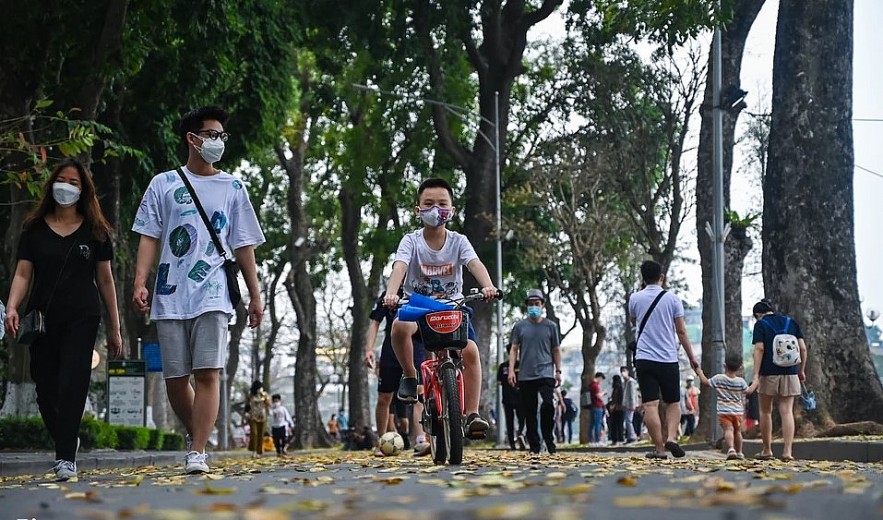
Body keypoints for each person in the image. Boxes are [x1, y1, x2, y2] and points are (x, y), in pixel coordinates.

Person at [132, 106, 265, 474]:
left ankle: (198, 451)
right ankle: (198, 436)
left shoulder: (233, 187)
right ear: (192, 139)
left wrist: (255, 295)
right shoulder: (163, 184)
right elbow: (148, 236)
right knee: (176, 379)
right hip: (171, 293)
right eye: (212, 135)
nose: (218, 142)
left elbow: (243, 245)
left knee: (208, 373)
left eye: (222, 136)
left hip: (213, 292)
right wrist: (141, 280)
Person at [4, 158, 122, 481]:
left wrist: (115, 326)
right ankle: (67, 438)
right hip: (42, 320)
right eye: (62, 180)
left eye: (74, 182)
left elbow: (106, 280)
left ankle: (65, 457)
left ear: (83, 190)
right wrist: (12, 306)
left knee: (73, 383)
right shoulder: (34, 229)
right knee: (45, 389)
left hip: (82, 319)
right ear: (51, 184)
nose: (66, 187)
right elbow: (23, 274)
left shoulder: (96, 231)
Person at [382, 178, 498, 437]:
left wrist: (488, 286)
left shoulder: (459, 241)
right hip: (418, 306)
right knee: (399, 328)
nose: (436, 209)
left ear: (452, 210)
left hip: (452, 306)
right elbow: (399, 266)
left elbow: (475, 264)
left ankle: (472, 414)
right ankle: (411, 377)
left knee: (470, 352)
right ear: (418, 210)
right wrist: (392, 293)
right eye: (429, 204)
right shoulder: (411, 241)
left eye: (442, 204)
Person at [628, 260, 700, 459]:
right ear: (662, 277)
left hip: (644, 358)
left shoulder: (635, 298)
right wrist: (692, 358)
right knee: (673, 402)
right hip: (668, 359)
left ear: (643, 278)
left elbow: (634, 321)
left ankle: (659, 449)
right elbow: (681, 330)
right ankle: (672, 438)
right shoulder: (673, 299)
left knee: (650, 405)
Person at [364, 291, 431, 456]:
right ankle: (381, 441)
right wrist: (369, 349)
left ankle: (421, 439)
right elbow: (375, 322)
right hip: (391, 350)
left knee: (419, 395)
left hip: (417, 348)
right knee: (384, 397)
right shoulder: (389, 294)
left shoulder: (423, 290)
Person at [746, 300, 808, 462]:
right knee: (787, 411)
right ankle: (787, 451)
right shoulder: (791, 322)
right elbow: (802, 348)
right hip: (790, 372)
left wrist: (756, 375)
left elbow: (759, 349)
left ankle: (767, 450)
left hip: (768, 373)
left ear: (757, 315)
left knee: (765, 411)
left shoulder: (761, 324)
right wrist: (801, 371)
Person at [508, 289, 562, 455]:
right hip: (526, 374)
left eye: (537, 304)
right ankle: (534, 445)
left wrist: (558, 371)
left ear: (542, 305)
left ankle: (548, 438)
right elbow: (514, 348)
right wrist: (511, 370)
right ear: (527, 306)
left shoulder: (551, 326)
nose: (534, 307)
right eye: (531, 304)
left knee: (548, 405)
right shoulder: (519, 327)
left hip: (546, 372)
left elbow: (556, 349)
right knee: (529, 411)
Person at [695, 352, 749, 460]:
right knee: (738, 431)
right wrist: (756, 381)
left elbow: (706, 382)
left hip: (724, 412)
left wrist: (699, 372)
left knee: (728, 430)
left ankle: (731, 449)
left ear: (725, 365)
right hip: (737, 412)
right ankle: (740, 452)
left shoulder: (719, 378)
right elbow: (749, 391)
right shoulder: (741, 382)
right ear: (740, 368)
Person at [497, 353, 526, 450]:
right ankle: (520, 434)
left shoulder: (503, 366)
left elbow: (499, 382)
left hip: (510, 398)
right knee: (521, 419)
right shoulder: (521, 365)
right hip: (518, 398)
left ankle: (513, 442)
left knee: (510, 422)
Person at [245, 381, 270, 456]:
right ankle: (254, 450)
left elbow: (268, 404)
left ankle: (259, 451)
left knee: (261, 434)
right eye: (259, 388)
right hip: (253, 416)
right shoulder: (250, 395)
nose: (260, 389)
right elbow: (247, 404)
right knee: (254, 433)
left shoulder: (264, 395)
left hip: (262, 416)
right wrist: (246, 412)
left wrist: (265, 398)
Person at [621, 366, 640, 443]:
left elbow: (632, 394)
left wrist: (633, 404)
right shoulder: (625, 382)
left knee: (629, 420)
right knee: (627, 420)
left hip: (630, 404)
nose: (623, 373)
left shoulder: (630, 382)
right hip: (626, 404)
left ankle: (632, 436)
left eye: (624, 371)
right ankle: (629, 436)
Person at [589, 372, 606, 446]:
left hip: (593, 406)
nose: (601, 381)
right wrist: (604, 393)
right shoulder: (595, 386)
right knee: (597, 424)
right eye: (601, 379)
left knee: (592, 424)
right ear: (599, 377)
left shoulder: (590, 385)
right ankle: (597, 440)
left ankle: (591, 441)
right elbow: (598, 396)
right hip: (597, 406)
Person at [608, 375, 625, 445]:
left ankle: (617, 439)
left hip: (617, 409)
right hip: (619, 408)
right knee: (619, 424)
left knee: (615, 424)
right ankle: (619, 438)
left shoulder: (617, 388)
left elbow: (618, 399)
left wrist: (613, 405)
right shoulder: (619, 388)